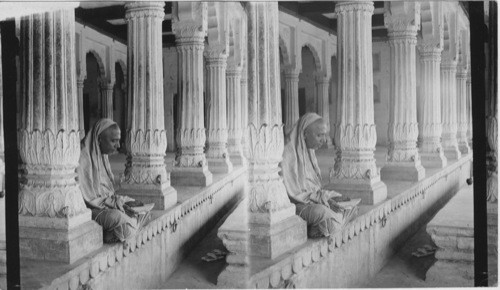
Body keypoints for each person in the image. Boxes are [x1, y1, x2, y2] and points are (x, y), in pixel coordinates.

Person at [281, 113, 358, 238]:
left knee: (351, 205)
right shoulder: (287, 155)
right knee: (320, 212)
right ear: (304, 134)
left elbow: (316, 189)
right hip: (299, 205)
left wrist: (329, 198)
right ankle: (332, 223)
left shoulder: (309, 152)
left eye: (325, 135)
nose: (324, 140)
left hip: (314, 199)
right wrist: (324, 200)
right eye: (319, 135)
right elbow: (294, 196)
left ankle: (326, 225)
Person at [78, 118, 150, 243]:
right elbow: (87, 200)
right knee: (116, 217)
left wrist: (124, 202)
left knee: (145, 210)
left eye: (118, 140)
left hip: (107, 204)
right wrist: (116, 205)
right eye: (113, 141)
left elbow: (109, 193)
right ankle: (124, 229)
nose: (118, 146)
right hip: (93, 210)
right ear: (99, 140)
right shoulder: (82, 158)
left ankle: (117, 231)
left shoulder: (102, 156)